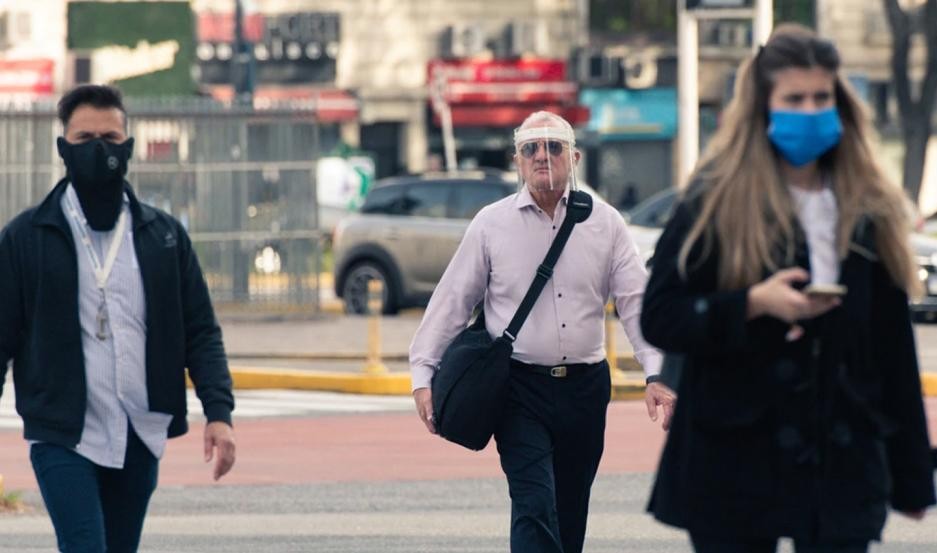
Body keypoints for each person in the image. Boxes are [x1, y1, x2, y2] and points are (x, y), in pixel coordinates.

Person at [640, 25, 935, 553]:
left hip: (839, 455)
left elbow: (893, 350)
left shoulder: (868, 207)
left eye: (821, 98)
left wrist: (912, 475)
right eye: (794, 100)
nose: (811, 111)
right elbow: (661, 316)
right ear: (763, 108)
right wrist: (752, 304)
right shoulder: (713, 201)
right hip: (734, 457)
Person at [410, 110, 672, 553]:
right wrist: (423, 374)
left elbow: (635, 302)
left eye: (554, 147)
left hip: (586, 390)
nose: (542, 156)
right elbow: (453, 299)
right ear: (517, 160)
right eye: (531, 148)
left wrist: (657, 372)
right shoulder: (491, 224)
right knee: (533, 504)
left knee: (569, 511)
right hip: (518, 388)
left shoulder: (605, 223)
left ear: (575, 158)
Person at [0, 84, 236, 552]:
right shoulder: (27, 237)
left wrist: (219, 413)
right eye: (84, 139)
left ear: (128, 146)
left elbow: (201, 331)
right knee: (85, 545)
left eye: (110, 138)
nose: (98, 150)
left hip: (138, 431)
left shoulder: (163, 237)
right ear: (63, 147)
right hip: (63, 433)